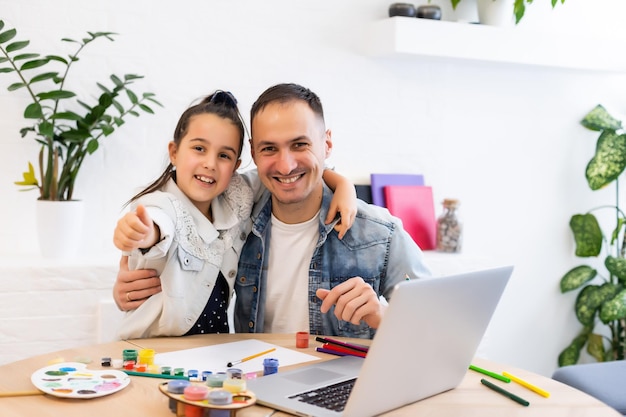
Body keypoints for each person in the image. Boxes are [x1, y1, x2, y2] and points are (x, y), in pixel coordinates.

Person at [113, 90, 356, 339]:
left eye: (224, 155)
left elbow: (288, 174)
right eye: (199, 148)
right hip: (152, 351)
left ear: (237, 165)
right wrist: (141, 233)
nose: (210, 163)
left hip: (210, 355)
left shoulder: (237, 195)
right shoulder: (159, 205)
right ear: (174, 152)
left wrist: (343, 185)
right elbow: (159, 223)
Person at [234, 83, 431, 338]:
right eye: (269, 148)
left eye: (299, 145)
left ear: (326, 143)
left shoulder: (380, 233)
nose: (285, 166)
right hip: (256, 377)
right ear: (253, 152)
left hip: (352, 379)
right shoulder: (234, 225)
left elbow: (436, 327)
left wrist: (383, 316)